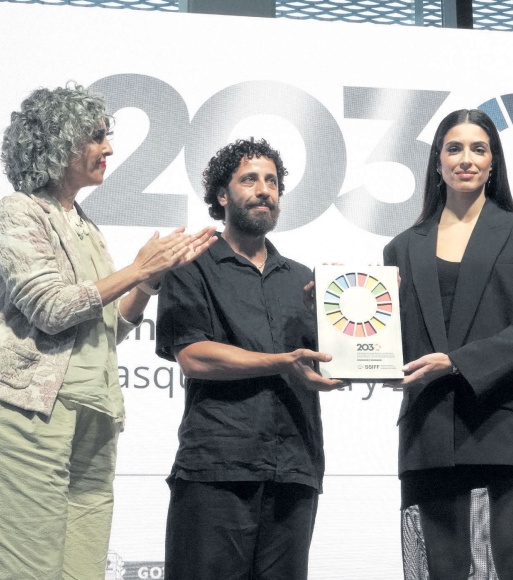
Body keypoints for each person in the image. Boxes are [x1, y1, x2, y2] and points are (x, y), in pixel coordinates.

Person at [0, 83, 215, 580]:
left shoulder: (84, 225)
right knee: (17, 571)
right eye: (96, 137)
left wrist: (149, 281)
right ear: (58, 142)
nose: (109, 148)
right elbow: (51, 308)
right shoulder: (18, 211)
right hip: (20, 415)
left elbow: (104, 329)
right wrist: (137, 268)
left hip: (90, 419)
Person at [383, 109, 513, 580]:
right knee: (437, 572)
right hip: (428, 435)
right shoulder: (401, 247)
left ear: (494, 163)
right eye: (454, 148)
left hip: (506, 434)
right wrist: (337, 305)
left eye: (478, 149)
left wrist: (456, 362)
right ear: (437, 161)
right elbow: (389, 334)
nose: (466, 159)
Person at [155, 138, 344, 579]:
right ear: (222, 195)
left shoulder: (303, 280)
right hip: (216, 470)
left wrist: (355, 305)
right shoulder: (191, 265)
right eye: (249, 180)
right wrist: (280, 361)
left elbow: (326, 362)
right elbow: (194, 357)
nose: (264, 191)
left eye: (272, 182)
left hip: (294, 469)